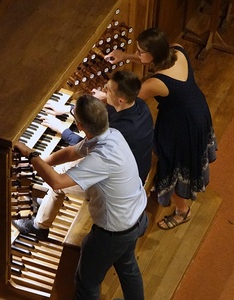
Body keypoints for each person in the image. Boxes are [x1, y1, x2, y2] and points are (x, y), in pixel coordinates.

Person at [13, 95, 148, 300]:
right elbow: (70, 152)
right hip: (135, 217)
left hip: (114, 232)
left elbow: (57, 182)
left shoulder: (102, 157)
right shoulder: (112, 134)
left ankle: (40, 226)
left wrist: (30, 154)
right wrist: (42, 163)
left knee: (86, 283)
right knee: (127, 267)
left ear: (79, 125)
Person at [105, 28, 217, 230]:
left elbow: (125, 101)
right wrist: (124, 56)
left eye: (140, 51)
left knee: (172, 162)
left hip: (181, 125)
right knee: (176, 156)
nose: (137, 54)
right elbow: (150, 59)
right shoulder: (177, 50)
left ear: (153, 52)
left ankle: (183, 211)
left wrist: (103, 96)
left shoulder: (155, 83)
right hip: (198, 111)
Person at [42, 70, 154, 185]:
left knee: (60, 171)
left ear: (121, 100)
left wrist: (62, 129)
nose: (104, 90)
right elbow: (105, 112)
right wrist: (68, 109)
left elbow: (88, 148)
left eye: (108, 90)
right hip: (138, 165)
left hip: (129, 180)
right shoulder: (139, 104)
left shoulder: (119, 131)